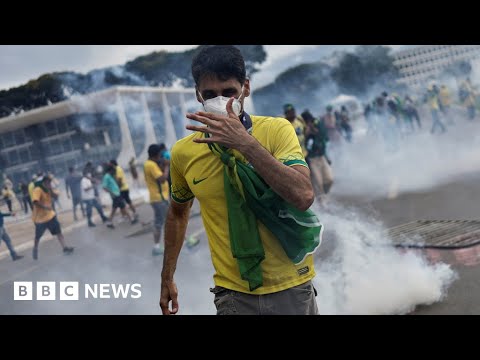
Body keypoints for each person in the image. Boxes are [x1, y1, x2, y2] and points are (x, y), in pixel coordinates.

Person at [160, 45, 321, 316]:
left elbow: (303, 195)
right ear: (197, 94)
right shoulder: (183, 153)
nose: (219, 101)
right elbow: (177, 214)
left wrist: (245, 144)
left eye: (229, 92)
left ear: (245, 88)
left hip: (291, 286)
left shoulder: (276, 130)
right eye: (209, 94)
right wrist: (167, 278)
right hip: (233, 295)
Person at [32, 175, 74, 260]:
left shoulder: (49, 189)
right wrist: (45, 207)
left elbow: (56, 197)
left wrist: (50, 190)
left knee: (58, 232)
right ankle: (35, 248)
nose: (49, 184)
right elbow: (35, 202)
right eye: (47, 182)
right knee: (38, 236)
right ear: (44, 183)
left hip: (50, 216)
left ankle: (65, 248)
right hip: (40, 219)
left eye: (50, 182)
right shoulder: (38, 190)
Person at [143, 144, 171, 256]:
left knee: (160, 223)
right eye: (159, 155)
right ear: (156, 155)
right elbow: (162, 179)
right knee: (170, 221)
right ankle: (185, 241)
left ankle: (156, 247)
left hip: (157, 198)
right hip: (159, 199)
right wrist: (167, 166)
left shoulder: (148, 164)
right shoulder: (151, 165)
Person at [102, 164, 137, 229]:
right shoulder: (106, 176)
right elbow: (104, 187)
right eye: (113, 170)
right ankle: (132, 219)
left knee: (114, 209)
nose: (114, 171)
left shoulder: (110, 175)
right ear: (110, 170)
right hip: (115, 195)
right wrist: (111, 193)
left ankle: (109, 222)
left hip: (117, 193)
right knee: (123, 206)